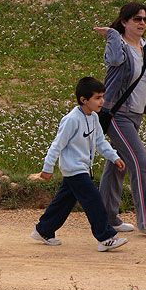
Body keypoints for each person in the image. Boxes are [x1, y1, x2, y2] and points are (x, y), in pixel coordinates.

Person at [94, 2, 146, 237]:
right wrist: (111, 35)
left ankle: (108, 217)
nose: (142, 23)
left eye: (145, 19)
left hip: (136, 115)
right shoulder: (118, 46)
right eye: (137, 19)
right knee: (140, 163)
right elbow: (113, 61)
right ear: (124, 22)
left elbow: (145, 80)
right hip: (116, 114)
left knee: (117, 165)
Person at [32, 77, 129, 252]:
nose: (102, 101)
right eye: (98, 98)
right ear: (84, 100)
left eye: (102, 96)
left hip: (83, 168)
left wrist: (114, 157)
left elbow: (100, 142)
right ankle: (105, 237)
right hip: (74, 169)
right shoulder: (71, 120)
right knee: (94, 200)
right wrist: (47, 168)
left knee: (64, 202)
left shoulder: (94, 118)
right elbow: (57, 145)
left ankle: (43, 230)